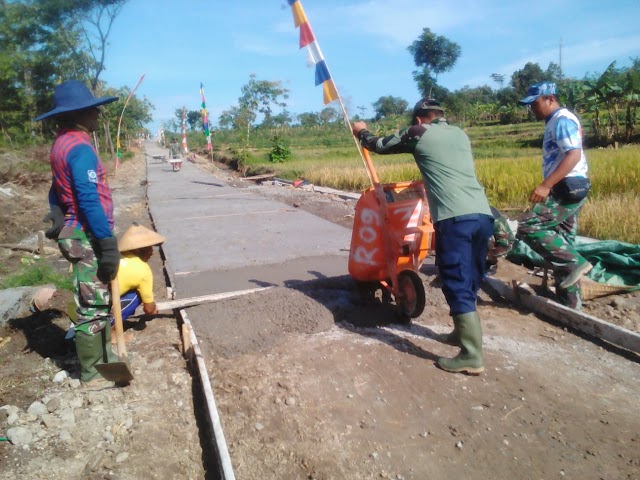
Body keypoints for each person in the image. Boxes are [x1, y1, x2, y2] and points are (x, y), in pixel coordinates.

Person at [352, 98, 494, 375]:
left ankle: (471, 355)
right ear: (441, 115)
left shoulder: (419, 133)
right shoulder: (459, 133)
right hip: (482, 215)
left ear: (418, 119)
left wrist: (361, 132)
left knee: (455, 280)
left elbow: (380, 145)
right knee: (472, 277)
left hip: (455, 219)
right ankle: (461, 334)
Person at [37, 80, 121, 386]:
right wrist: (106, 242)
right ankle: (92, 373)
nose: (98, 113)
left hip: (77, 232)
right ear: (80, 113)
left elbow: (57, 185)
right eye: (93, 109)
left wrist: (56, 209)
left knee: (95, 298)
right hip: (87, 234)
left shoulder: (62, 143)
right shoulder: (81, 149)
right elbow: (88, 198)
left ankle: (105, 361)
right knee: (95, 306)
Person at [517, 82, 592, 309]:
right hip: (568, 185)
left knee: (529, 227)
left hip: (568, 185)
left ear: (550, 98)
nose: (532, 109)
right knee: (563, 241)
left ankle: (575, 263)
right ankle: (570, 305)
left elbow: (574, 155)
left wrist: (546, 185)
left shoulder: (561, 120)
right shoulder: (557, 120)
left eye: (535, 104)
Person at [116, 222, 166, 323]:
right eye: (149, 248)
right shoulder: (143, 269)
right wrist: (153, 310)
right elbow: (149, 309)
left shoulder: (116, 257)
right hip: (99, 310)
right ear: (138, 250)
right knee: (137, 296)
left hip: (85, 301)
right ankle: (111, 330)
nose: (152, 252)